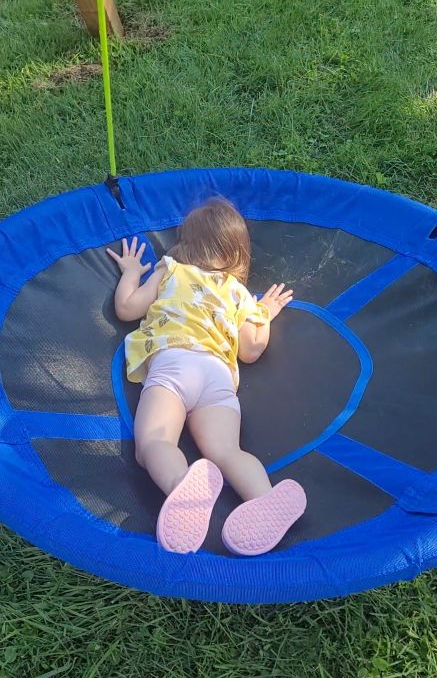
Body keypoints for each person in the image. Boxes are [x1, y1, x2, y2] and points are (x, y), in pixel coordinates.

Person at [107, 197, 306, 556]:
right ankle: (264, 497)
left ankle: (181, 485)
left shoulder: (170, 269)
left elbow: (126, 308)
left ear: (185, 244)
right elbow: (251, 350)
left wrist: (132, 272)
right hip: (217, 376)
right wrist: (262, 314)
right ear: (238, 253)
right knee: (228, 451)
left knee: (154, 443)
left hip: (174, 363)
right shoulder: (238, 293)